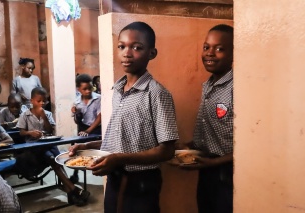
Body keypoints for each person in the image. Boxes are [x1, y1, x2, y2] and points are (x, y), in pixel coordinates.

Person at [69, 21, 179, 213]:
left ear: (151, 53)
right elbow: (119, 141)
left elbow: (167, 150)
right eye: (122, 46)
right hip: (115, 178)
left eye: (137, 48)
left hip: (142, 183)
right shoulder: (118, 91)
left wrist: (119, 158)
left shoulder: (157, 94)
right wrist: (86, 147)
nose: (127, 53)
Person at [181, 24, 234, 213]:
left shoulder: (236, 87)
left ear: (234, 54)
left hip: (227, 171)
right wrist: (193, 146)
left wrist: (214, 163)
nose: (210, 53)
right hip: (207, 168)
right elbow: (214, 127)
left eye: (219, 49)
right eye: (206, 47)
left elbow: (251, 143)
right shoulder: (209, 85)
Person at [15, 87, 90, 206]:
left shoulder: (48, 114)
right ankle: (73, 189)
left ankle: (71, 191)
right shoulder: (25, 115)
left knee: (57, 158)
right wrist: (30, 133)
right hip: (33, 148)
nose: (42, 103)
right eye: (38, 101)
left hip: (47, 145)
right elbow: (21, 132)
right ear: (32, 101)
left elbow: (50, 130)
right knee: (52, 159)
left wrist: (44, 117)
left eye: (44, 101)